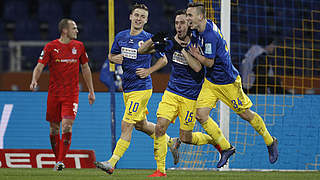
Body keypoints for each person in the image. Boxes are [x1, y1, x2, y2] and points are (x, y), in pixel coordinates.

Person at [186, 2, 278, 166]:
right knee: (201, 115)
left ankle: (270, 141)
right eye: (187, 15)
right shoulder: (197, 29)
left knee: (246, 115)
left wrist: (195, 54)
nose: (187, 19)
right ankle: (226, 148)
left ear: (200, 16)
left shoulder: (210, 35)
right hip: (211, 82)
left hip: (228, 82)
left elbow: (209, 62)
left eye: (190, 15)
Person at [138, 10, 228, 177]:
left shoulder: (197, 41)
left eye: (182, 23)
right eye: (176, 23)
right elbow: (142, 51)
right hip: (172, 93)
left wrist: (183, 50)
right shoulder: (170, 42)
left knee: (186, 137)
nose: (179, 26)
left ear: (188, 24)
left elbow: (198, 68)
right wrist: (152, 39)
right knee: (159, 127)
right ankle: (161, 170)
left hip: (191, 97)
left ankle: (214, 141)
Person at [94, 3, 179, 175]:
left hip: (142, 88)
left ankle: (111, 163)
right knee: (141, 125)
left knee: (127, 125)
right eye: (137, 15)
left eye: (143, 17)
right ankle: (171, 141)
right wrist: (113, 58)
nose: (139, 19)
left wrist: (149, 70)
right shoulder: (121, 36)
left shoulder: (149, 39)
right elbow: (111, 55)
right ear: (130, 17)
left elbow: (163, 61)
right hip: (128, 88)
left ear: (146, 20)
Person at [29, 18, 96, 171]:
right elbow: (39, 67)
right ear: (65, 30)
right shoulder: (51, 47)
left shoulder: (79, 47)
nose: (77, 31)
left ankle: (60, 161)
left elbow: (85, 68)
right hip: (54, 94)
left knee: (67, 126)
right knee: (54, 128)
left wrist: (91, 91)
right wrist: (34, 80)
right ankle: (57, 159)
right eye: (74, 28)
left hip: (71, 94)